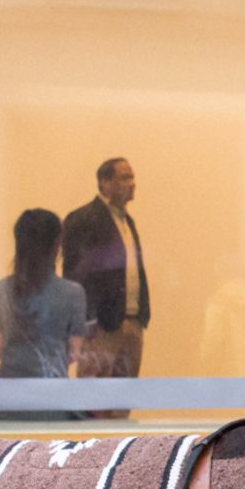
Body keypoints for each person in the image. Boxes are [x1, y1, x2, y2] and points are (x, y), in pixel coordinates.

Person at [0, 209, 86, 421]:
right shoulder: (73, 293)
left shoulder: (0, 290)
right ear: (57, 244)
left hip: (6, 402)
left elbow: (0, 348)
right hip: (55, 403)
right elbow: (74, 352)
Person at [63, 157, 150, 414]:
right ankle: (93, 453)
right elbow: (75, 275)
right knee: (94, 402)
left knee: (122, 403)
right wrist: (87, 321)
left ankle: (123, 452)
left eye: (132, 177)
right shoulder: (83, 219)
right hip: (100, 327)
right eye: (124, 177)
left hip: (132, 322)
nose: (132, 183)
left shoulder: (127, 221)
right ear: (105, 182)